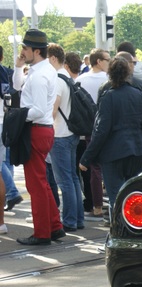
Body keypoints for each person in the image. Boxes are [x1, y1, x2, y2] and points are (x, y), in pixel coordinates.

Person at [13, 29, 65, 245]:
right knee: (41, 183)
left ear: (36, 50)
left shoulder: (40, 75)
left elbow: (39, 109)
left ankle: (43, 233)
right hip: (41, 129)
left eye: (25, 48)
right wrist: (18, 66)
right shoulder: (42, 70)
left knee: (36, 185)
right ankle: (54, 227)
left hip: (36, 129)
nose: (22, 51)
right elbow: (17, 85)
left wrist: (17, 116)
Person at [79, 56, 142, 207]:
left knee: (117, 200)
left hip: (114, 155)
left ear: (110, 74)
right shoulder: (139, 94)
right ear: (127, 73)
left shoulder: (108, 97)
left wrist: (86, 158)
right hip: (137, 152)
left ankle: (119, 229)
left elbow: (101, 130)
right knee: (136, 199)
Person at [48, 43, 84, 232]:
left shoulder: (56, 80)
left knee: (64, 181)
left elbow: (53, 110)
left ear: (53, 58)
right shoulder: (68, 78)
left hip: (60, 135)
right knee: (73, 178)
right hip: (71, 134)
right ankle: (77, 219)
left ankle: (69, 221)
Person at [76, 48, 110, 220]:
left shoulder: (80, 80)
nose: (109, 62)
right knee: (109, 166)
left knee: (93, 167)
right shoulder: (109, 80)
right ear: (99, 61)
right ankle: (110, 204)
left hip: (88, 127)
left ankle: (96, 205)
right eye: (107, 59)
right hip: (108, 126)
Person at [0, 44, 23, 212]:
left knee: (2, 162)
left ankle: (12, 192)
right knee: (5, 160)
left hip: (2, 121)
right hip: (7, 119)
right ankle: (10, 194)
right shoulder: (6, 72)